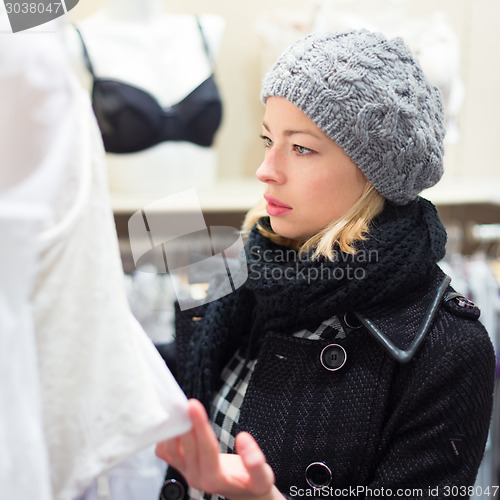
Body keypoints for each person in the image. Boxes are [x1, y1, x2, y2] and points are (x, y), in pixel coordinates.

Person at [154, 29, 495, 500]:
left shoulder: (447, 348)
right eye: (267, 139)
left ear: (377, 171)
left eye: (301, 148)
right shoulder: (239, 275)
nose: (265, 169)